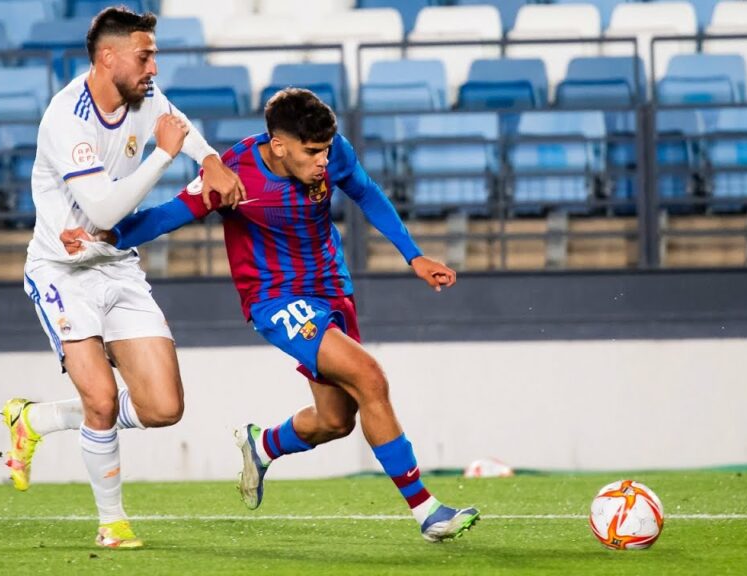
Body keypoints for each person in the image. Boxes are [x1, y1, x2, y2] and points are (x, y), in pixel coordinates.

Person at [62, 88, 480, 542]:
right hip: (275, 298)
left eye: (325, 150)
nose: (323, 161)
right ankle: (427, 511)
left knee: (337, 421)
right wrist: (106, 236)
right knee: (370, 376)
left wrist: (413, 256)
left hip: (332, 290)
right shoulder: (232, 175)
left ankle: (262, 446)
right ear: (278, 145)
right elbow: (167, 216)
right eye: (312, 151)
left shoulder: (332, 150)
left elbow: (366, 192)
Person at [1, 6, 245, 549]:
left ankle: (35, 419)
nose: (153, 65)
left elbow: (181, 126)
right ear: (107, 57)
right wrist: (165, 156)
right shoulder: (67, 118)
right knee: (105, 402)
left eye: (154, 53)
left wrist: (212, 162)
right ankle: (112, 523)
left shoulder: (144, 96)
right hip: (62, 272)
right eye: (145, 54)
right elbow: (107, 212)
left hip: (114, 266)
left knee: (163, 407)